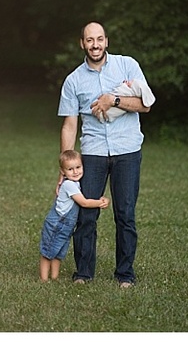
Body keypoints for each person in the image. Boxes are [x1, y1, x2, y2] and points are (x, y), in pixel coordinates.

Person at [57, 22, 155, 288]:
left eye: (99, 39)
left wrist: (114, 100)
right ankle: (84, 273)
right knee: (86, 215)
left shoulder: (127, 66)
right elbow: (70, 124)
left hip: (127, 151)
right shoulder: (74, 80)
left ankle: (125, 274)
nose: (95, 44)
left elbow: (146, 104)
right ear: (82, 44)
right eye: (90, 40)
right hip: (93, 153)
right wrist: (63, 169)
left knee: (125, 214)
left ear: (107, 41)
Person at [40, 150, 109, 282]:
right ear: (63, 171)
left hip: (66, 226)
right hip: (57, 223)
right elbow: (84, 202)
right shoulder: (69, 185)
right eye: (70, 169)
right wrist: (101, 202)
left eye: (78, 167)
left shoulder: (76, 183)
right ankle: (43, 280)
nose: (75, 172)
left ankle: (54, 277)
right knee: (48, 251)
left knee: (59, 252)